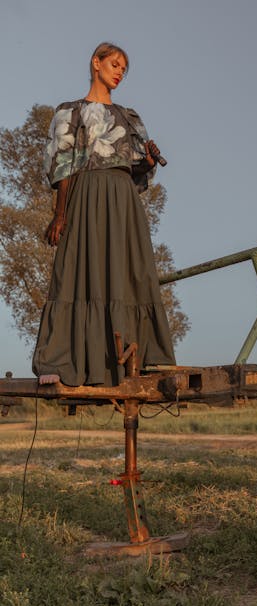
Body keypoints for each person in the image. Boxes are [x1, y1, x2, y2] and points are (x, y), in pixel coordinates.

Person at [33, 42, 176, 386]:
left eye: (124, 69)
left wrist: (150, 160)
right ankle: (67, 358)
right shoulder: (71, 112)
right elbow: (63, 165)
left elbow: (138, 173)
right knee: (79, 273)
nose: (119, 72)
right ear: (96, 63)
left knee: (132, 273)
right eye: (114, 64)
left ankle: (139, 359)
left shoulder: (129, 117)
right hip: (85, 197)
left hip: (123, 202)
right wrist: (59, 214)